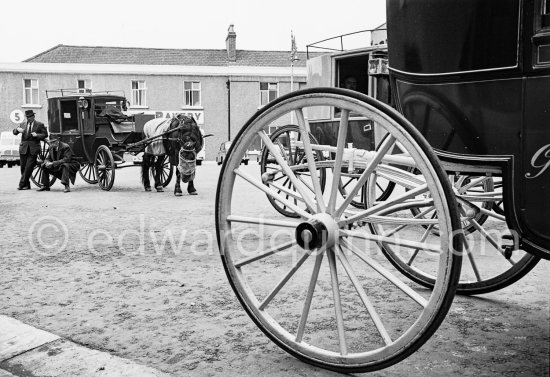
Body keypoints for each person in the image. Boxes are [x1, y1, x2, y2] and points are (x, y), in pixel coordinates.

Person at [12, 109, 48, 190]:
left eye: (30, 117)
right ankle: (27, 185)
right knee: (23, 168)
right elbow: (14, 132)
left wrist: (37, 135)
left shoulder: (39, 124)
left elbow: (45, 134)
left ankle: (21, 184)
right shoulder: (22, 124)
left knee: (28, 167)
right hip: (23, 148)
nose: (28, 118)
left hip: (34, 149)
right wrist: (17, 130)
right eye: (27, 117)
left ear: (33, 116)